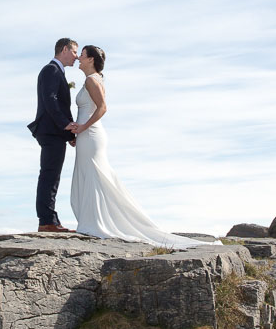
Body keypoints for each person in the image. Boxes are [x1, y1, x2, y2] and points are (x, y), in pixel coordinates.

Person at [68, 45, 202, 248]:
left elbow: (103, 107)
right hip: (87, 135)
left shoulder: (91, 80)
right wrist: (80, 132)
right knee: (90, 175)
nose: (78, 57)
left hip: (92, 133)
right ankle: (93, 220)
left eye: (82, 55)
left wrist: (83, 127)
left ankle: (95, 223)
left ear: (91, 60)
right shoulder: (94, 79)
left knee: (95, 176)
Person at [28, 38, 79, 232]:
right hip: (50, 132)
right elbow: (50, 101)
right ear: (64, 49)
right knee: (49, 176)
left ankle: (51, 219)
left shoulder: (58, 72)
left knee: (53, 176)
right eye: (74, 52)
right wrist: (66, 125)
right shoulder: (50, 70)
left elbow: (60, 105)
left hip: (55, 132)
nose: (76, 56)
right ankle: (47, 221)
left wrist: (68, 135)